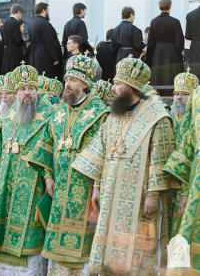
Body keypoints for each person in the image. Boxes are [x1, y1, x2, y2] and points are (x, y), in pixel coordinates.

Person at [72, 57, 175, 274]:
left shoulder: (158, 116)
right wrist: (98, 186)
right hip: (111, 193)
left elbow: (160, 157)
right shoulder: (115, 114)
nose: (113, 87)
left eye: (118, 84)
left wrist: (153, 195)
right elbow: (102, 151)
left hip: (140, 198)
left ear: (132, 88)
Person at [34, 55, 109, 275]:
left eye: (73, 80)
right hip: (58, 188)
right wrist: (48, 176)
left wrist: (97, 185)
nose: (67, 84)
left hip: (84, 188)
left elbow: (102, 153)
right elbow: (47, 144)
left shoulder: (99, 114)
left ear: (85, 84)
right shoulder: (59, 112)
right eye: (66, 79)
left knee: (83, 239)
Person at [0, 64, 55, 276]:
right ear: (16, 92)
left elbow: (52, 147)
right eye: (22, 89)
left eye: (30, 89)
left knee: (30, 228)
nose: (26, 93)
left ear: (37, 91)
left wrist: (48, 175)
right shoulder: (8, 116)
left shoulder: (49, 114)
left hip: (33, 181)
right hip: (7, 179)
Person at [163, 86, 200, 275]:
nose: (178, 97)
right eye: (176, 93)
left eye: (183, 94)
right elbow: (189, 142)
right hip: (189, 181)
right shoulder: (196, 99)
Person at [147, 0, 184, 87]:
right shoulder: (175, 21)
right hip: (172, 51)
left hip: (158, 51)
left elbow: (150, 41)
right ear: (170, 6)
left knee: (159, 73)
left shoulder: (154, 21)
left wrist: (153, 52)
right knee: (171, 72)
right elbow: (179, 39)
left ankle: (158, 91)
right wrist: (178, 51)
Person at [27, 2, 63, 78]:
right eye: (48, 11)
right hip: (45, 55)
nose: (48, 13)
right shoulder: (44, 23)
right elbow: (49, 41)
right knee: (47, 78)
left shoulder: (30, 23)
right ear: (44, 10)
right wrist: (55, 58)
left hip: (34, 56)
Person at [1, 4, 25, 74]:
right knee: (15, 74)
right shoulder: (15, 23)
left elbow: (3, 41)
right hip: (15, 53)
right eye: (21, 14)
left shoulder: (4, 24)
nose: (21, 16)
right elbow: (18, 40)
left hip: (6, 53)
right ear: (18, 12)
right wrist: (24, 42)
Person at [186, 3, 200, 78]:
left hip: (195, 49)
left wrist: (187, 54)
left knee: (196, 76)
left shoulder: (190, 15)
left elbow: (187, 37)